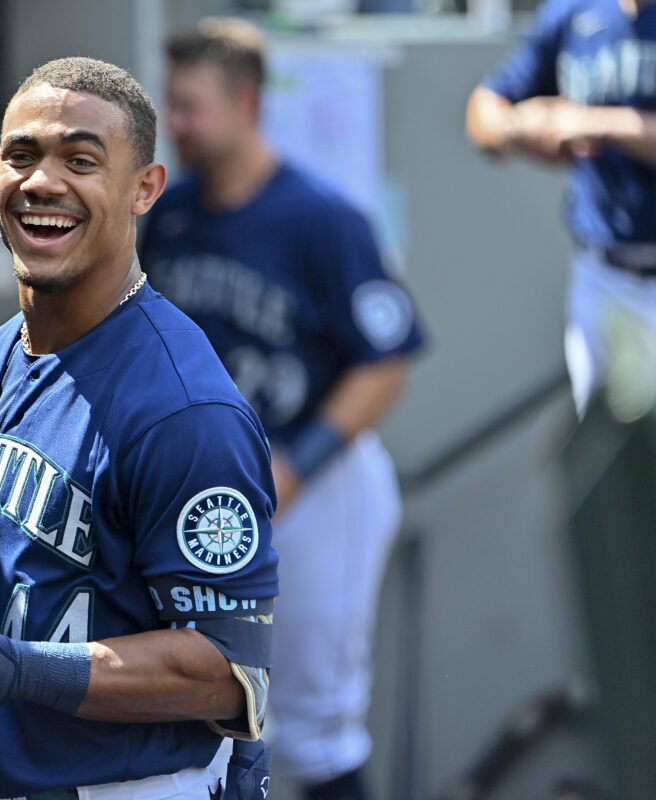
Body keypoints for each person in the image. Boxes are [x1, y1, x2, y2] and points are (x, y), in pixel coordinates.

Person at [0, 55, 280, 800]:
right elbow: (3, 576)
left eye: (82, 159)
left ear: (145, 188)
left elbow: (225, 674)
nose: (44, 182)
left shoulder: (185, 410)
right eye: (23, 156)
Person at [139, 19, 426, 800]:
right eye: (176, 104)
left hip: (316, 484)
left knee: (315, 725)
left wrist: (295, 467)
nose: (182, 124)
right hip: (213, 493)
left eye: (194, 106)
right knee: (207, 712)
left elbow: (385, 364)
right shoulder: (170, 214)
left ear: (247, 102)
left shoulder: (322, 218)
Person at [467, 0, 656, 415]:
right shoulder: (574, 12)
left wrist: (594, 122)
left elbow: (584, 122)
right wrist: (521, 128)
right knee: (613, 451)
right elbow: (483, 112)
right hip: (604, 272)